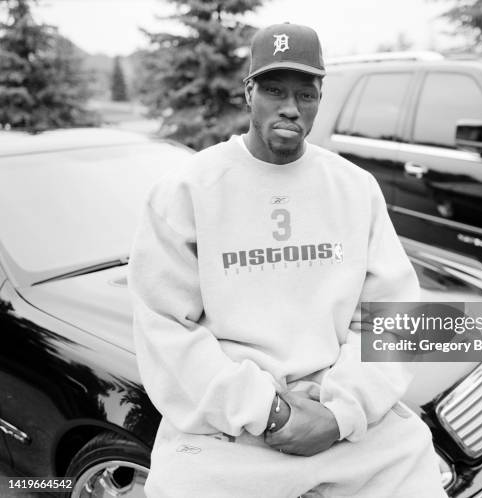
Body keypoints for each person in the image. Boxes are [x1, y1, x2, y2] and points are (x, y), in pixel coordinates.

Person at [128, 22, 448, 498]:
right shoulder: (188, 192)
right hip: (230, 433)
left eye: (306, 94)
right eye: (274, 90)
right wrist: (270, 411)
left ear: (321, 97)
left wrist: (340, 412)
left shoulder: (355, 188)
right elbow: (165, 330)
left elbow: (393, 316)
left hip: (344, 421)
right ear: (248, 92)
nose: (290, 109)